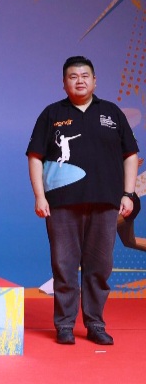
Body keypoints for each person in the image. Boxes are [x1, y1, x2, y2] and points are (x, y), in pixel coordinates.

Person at [26, 56, 139, 346]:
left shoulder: (111, 113)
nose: (80, 81)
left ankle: (95, 324)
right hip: (62, 203)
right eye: (73, 76)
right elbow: (35, 156)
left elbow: (130, 154)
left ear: (95, 81)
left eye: (85, 75)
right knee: (64, 266)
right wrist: (40, 196)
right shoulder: (52, 114)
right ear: (64, 83)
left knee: (99, 267)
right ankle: (64, 325)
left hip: (105, 202)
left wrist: (128, 193)